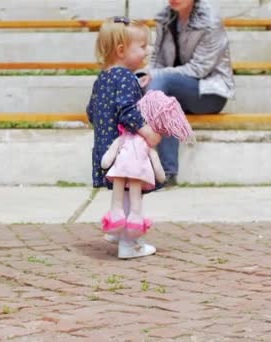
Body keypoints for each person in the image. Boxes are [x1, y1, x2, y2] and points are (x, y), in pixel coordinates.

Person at [86, 17, 161, 259]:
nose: (146, 51)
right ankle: (130, 244)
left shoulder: (103, 78)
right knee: (133, 192)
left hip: (105, 147)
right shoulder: (126, 78)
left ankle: (117, 232)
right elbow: (127, 110)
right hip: (126, 151)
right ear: (121, 50)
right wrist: (147, 131)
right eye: (141, 46)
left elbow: (91, 111)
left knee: (122, 193)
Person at [139, 0, 235, 186]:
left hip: (209, 92)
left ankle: (161, 169)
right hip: (173, 90)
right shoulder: (165, 17)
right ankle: (162, 172)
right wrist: (146, 76)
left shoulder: (210, 20)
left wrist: (155, 75)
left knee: (159, 83)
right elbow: (157, 60)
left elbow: (199, 69)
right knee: (143, 85)